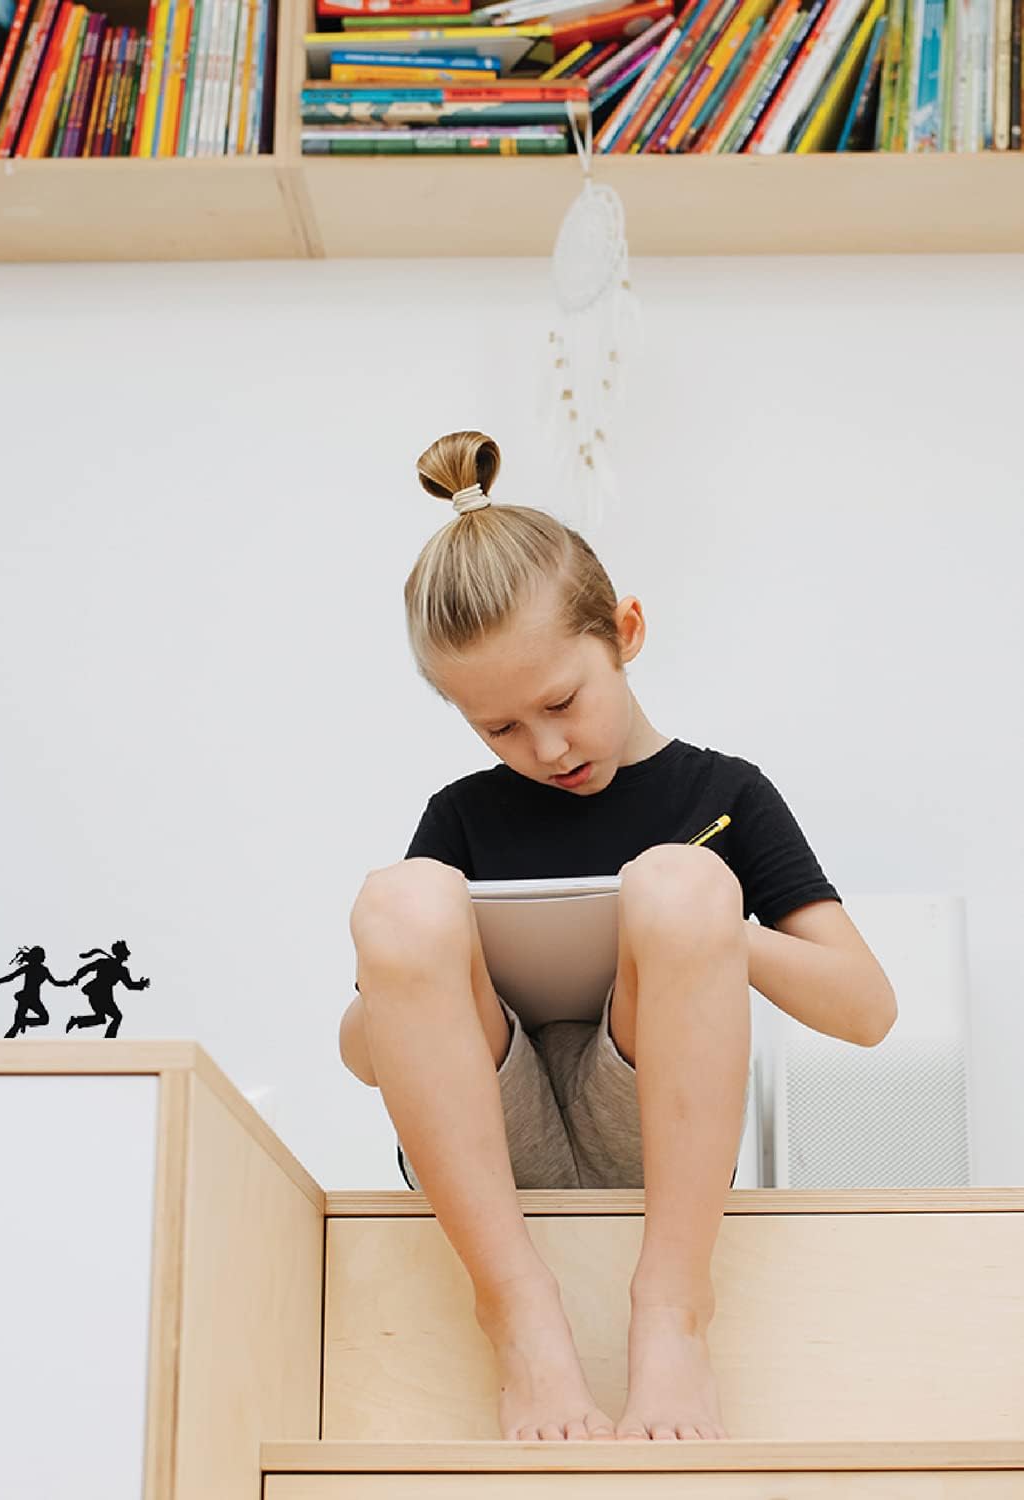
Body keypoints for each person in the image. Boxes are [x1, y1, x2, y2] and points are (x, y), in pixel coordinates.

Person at [339, 430, 897, 1446]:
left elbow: (866, 1009)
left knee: (681, 880)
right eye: (498, 729)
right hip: (495, 1137)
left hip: (653, 1126)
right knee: (400, 900)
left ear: (626, 631)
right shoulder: (462, 819)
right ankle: (517, 1316)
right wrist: (416, 963)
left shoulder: (722, 793)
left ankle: (674, 1315)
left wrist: (704, 927)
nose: (544, 749)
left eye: (561, 703)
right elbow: (361, 1053)